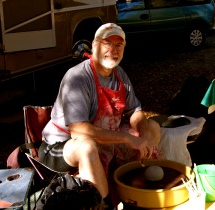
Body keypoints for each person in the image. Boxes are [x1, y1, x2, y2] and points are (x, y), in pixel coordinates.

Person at [38, 23, 161, 208]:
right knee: (87, 147)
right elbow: (79, 131)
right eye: (107, 43)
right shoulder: (77, 77)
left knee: (153, 128)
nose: (113, 50)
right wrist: (127, 138)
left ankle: (131, 186)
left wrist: (143, 135)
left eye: (118, 45)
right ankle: (102, 204)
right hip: (60, 146)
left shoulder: (119, 74)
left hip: (102, 140)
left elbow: (135, 112)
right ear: (94, 45)